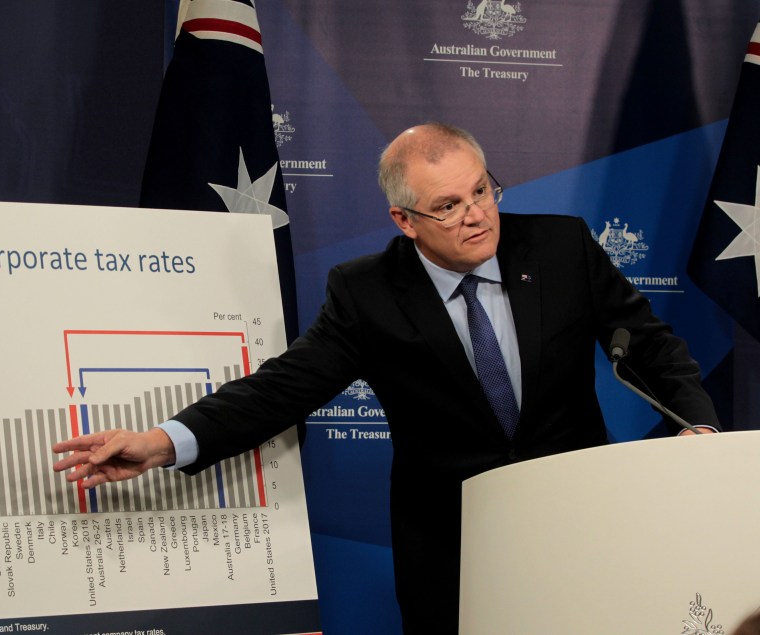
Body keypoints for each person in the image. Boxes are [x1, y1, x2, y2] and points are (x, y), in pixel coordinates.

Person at [52, 122, 718, 634]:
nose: (478, 214)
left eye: (482, 189)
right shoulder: (366, 292)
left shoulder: (561, 248)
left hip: (574, 523)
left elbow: (650, 347)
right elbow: (284, 388)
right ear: (405, 220)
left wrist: (698, 425)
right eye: (449, 205)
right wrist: (164, 441)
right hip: (450, 545)